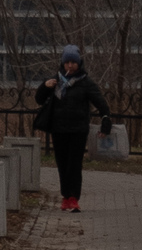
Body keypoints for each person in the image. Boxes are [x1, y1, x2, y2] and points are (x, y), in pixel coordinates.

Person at [35, 45, 114, 212]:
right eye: (67, 62)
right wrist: (44, 86)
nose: (70, 66)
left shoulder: (85, 82)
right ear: (62, 63)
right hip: (58, 129)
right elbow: (39, 100)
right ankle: (65, 197)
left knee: (74, 164)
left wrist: (106, 122)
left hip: (78, 130)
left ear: (79, 63)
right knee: (62, 164)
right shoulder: (55, 81)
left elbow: (101, 104)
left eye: (73, 62)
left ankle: (73, 198)